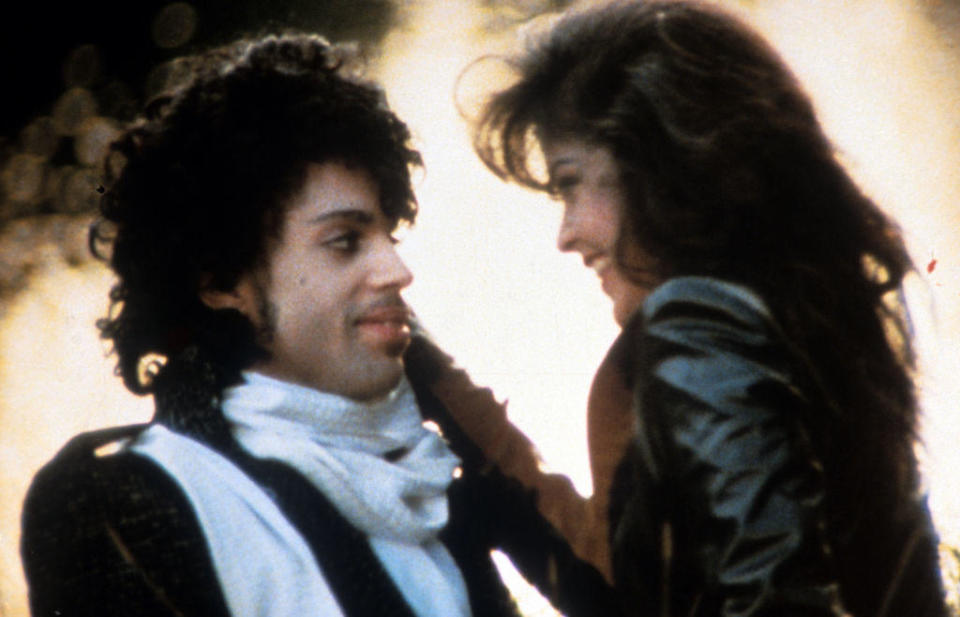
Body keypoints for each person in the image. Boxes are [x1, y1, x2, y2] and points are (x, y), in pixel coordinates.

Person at [19, 33, 618, 617]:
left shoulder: (419, 478)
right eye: (343, 242)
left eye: (389, 234)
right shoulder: (134, 501)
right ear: (221, 282)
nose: (397, 269)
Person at [465, 1, 950, 615]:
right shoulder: (805, 321)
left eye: (570, 184)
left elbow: (776, 605)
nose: (566, 234)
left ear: (653, 166)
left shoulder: (697, 322)